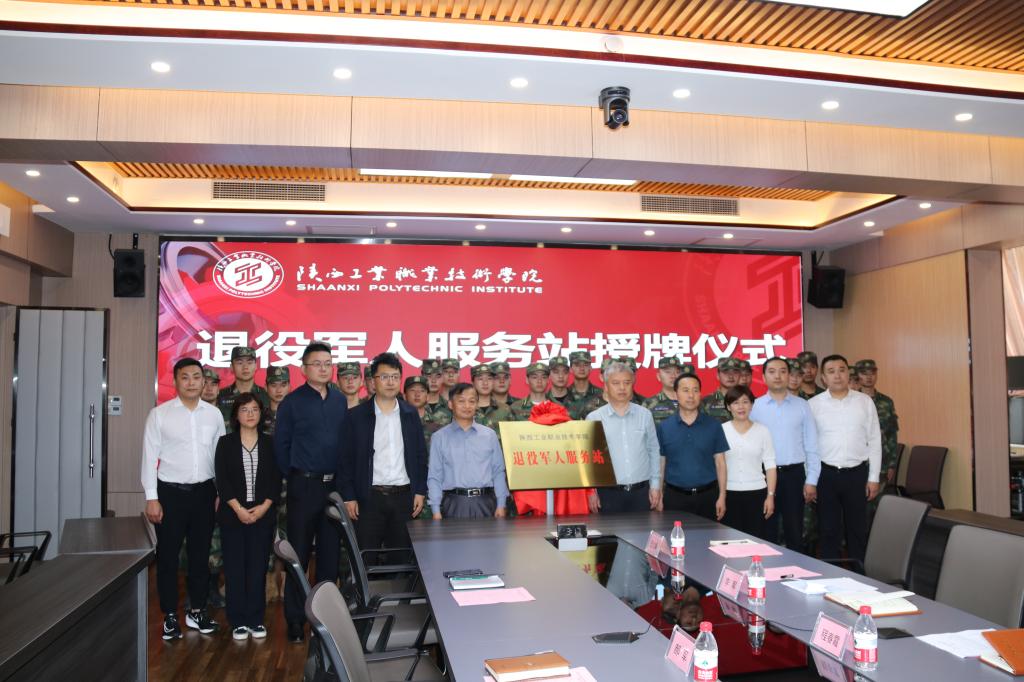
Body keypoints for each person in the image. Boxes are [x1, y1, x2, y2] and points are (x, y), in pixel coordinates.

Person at [142, 357, 225, 640]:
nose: (191, 382)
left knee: (200, 557)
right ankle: (169, 615)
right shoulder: (160, 414)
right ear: (176, 381)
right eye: (185, 377)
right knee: (167, 557)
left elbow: (220, 457)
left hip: (205, 494)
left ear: (204, 381)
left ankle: (197, 611)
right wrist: (152, 498)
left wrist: (220, 493)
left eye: (196, 377)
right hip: (170, 494)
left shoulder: (213, 415)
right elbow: (149, 458)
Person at [274, 341, 347, 643]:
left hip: (333, 488)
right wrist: (293, 476)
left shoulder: (340, 400)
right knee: (299, 555)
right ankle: (295, 620)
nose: (323, 368)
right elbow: (281, 446)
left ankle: (326, 620)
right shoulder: (292, 402)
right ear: (304, 369)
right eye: (317, 363)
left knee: (329, 557)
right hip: (303, 487)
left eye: (328, 363)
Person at [338, 352, 428, 565]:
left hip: (403, 497)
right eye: (384, 377)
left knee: (402, 558)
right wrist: (349, 496)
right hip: (369, 498)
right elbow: (345, 460)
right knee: (365, 558)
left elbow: (420, 455)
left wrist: (420, 490)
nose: (390, 382)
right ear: (372, 381)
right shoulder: (356, 416)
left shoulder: (410, 414)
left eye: (395, 377)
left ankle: (399, 589)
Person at [215, 393, 281, 641]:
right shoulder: (225, 443)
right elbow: (222, 481)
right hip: (233, 515)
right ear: (236, 415)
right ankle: (238, 621)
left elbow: (276, 479)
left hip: (262, 514)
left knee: (257, 568)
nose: (250, 414)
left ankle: (255, 619)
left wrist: (264, 507)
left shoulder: (270, 443)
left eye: (254, 409)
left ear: (261, 414)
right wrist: (239, 509)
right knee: (234, 569)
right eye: (244, 409)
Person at [809, 355, 882, 565]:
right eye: (831, 371)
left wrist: (874, 478)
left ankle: (860, 576)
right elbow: (808, 446)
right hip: (826, 475)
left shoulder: (864, 402)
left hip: (857, 474)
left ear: (848, 373)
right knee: (828, 530)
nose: (837, 375)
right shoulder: (813, 405)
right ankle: (829, 574)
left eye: (842, 370)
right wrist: (810, 480)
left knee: (858, 529)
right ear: (823, 378)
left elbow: (874, 440)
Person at [750, 357, 820, 550]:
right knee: (766, 532)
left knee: (795, 532)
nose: (778, 376)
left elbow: (812, 445)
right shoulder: (754, 407)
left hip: (794, 476)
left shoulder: (802, 405)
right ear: (763, 377)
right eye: (772, 372)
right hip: (764, 476)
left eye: (782, 371)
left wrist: (811, 480)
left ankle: (797, 569)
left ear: (789, 375)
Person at [585, 360, 661, 513]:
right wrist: (591, 491)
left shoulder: (645, 415)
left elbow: (653, 451)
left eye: (627, 382)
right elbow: (589, 459)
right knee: (609, 530)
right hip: (608, 494)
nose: (622, 388)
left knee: (642, 530)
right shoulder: (594, 418)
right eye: (616, 383)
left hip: (641, 492)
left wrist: (655, 486)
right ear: (606, 386)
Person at [428, 383, 509, 519]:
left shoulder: (489, 435)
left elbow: (498, 471)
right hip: (454, 503)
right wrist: (435, 510)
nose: (467, 406)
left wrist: (501, 504)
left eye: (472, 401)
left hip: (486, 502)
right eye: (461, 401)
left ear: (477, 404)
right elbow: (435, 476)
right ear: (450, 404)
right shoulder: (439, 437)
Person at [657, 373, 728, 521]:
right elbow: (661, 463)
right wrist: (659, 494)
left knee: (708, 535)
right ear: (676, 394)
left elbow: (720, 463)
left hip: (708, 496)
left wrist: (722, 496)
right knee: (676, 536)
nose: (691, 395)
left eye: (695, 390)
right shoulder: (664, 427)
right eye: (686, 390)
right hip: (674, 497)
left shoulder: (713, 425)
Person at [721, 385, 777, 540]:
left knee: (755, 541)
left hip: (757, 494)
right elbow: (718, 464)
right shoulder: (721, 430)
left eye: (745, 402)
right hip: (729, 493)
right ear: (728, 407)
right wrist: (720, 496)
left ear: (752, 405)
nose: (741, 407)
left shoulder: (763, 431)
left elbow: (770, 466)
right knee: (730, 541)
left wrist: (770, 496)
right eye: (735, 403)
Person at [260, 365, 290, 601]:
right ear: (266, 387)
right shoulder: (258, 416)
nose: (278, 389)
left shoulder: (296, 414)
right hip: (265, 484)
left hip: (292, 484)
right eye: (273, 385)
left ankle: (289, 582)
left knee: (291, 534)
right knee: (266, 533)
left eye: (283, 384)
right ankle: (269, 581)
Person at [855, 359, 900, 492]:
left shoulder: (886, 402)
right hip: (857, 463)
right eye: (864, 373)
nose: (869, 377)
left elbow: (892, 434)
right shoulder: (852, 401)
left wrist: (892, 464)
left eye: (872, 373)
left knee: (878, 502)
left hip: (882, 463)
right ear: (857, 375)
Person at [217, 346, 270, 430]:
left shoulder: (267, 396)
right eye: (240, 363)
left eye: (249, 362)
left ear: (256, 366)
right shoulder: (219, 396)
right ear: (231, 367)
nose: (245, 367)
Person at [643, 358, 692, 426]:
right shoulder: (649, 404)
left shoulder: (692, 401)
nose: (673, 376)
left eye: (677, 372)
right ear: (658, 376)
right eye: (668, 372)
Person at [470, 364, 513, 430]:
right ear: (472, 382)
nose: (485, 383)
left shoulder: (505, 409)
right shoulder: (466, 409)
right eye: (480, 379)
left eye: (489, 378)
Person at [566, 350, 605, 419]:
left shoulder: (602, 394)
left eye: (585, 365)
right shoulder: (564, 395)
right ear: (571, 369)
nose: (582, 368)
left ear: (591, 368)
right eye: (577, 365)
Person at [700, 357, 741, 422]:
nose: (731, 376)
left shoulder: (747, 401)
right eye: (726, 372)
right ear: (718, 376)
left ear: (740, 376)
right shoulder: (705, 402)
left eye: (735, 372)